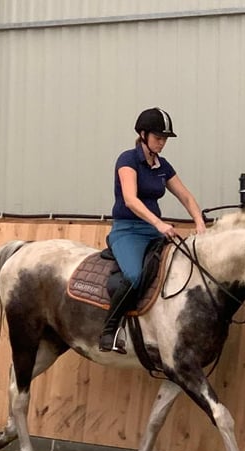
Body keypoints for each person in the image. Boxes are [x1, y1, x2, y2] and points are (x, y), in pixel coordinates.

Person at [99, 107, 207, 353]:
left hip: (153, 232)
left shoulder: (163, 165)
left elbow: (186, 197)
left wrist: (200, 223)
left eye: (165, 139)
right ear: (143, 134)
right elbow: (130, 199)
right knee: (135, 275)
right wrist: (158, 223)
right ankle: (109, 331)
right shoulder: (127, 160)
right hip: (128, 230)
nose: (162, 143)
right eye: (158, 138)